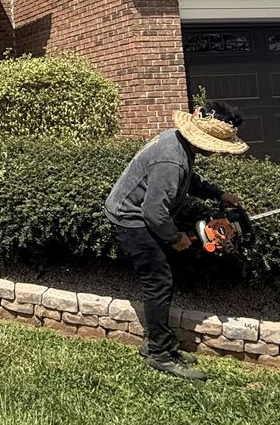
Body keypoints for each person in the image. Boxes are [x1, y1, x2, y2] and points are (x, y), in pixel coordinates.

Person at [105, 101, 248, 381]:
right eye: (217, 145)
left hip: (140, 215)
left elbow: (189, 180)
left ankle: (157, 341)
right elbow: (153, 212)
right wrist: (175, 238)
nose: (217, 151)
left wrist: (217, 194)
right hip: (131, 220)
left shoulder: (176, 140)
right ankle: (159, 353)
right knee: (159, 282)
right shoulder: (171, 159)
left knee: (161, 280)